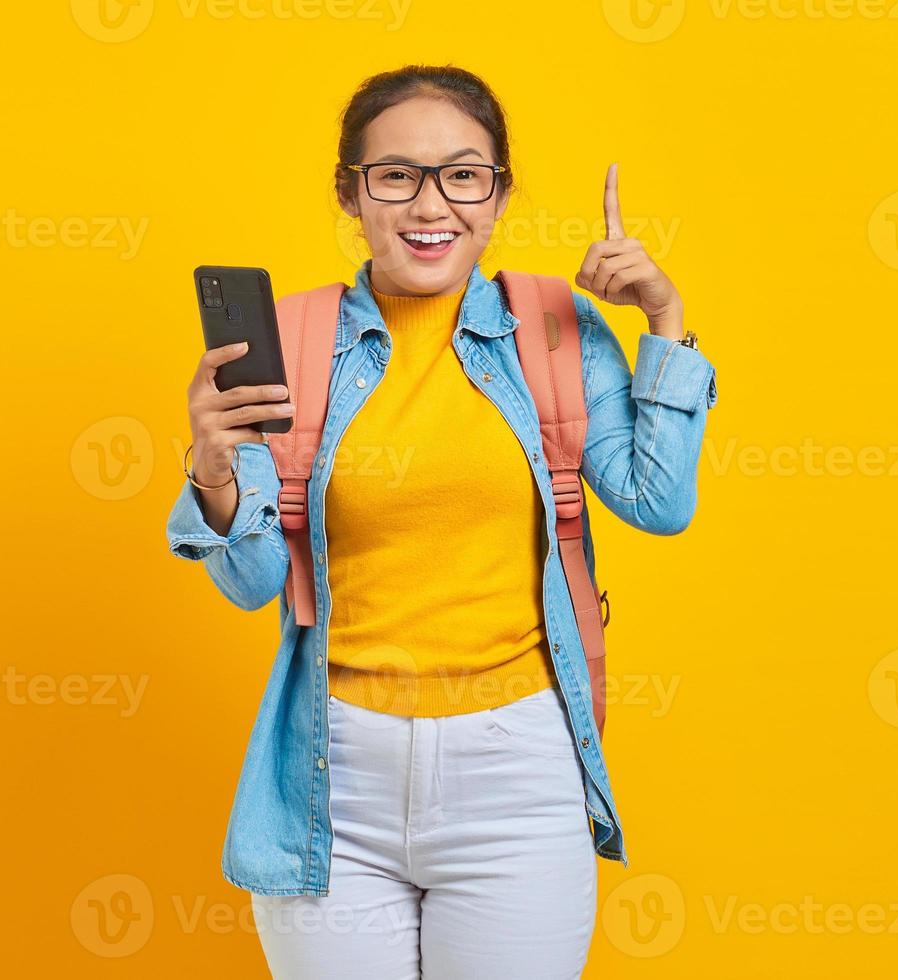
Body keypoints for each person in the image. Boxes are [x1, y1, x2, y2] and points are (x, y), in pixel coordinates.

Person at [169, 63, 718, 979]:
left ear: (497, 195)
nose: (433, 204)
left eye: (464, 174)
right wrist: (214, 465)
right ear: (352, 192)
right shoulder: (291, 341)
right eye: (397, 175)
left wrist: (663, 319)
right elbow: (253, 579)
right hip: (332, 774)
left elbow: (659, 504)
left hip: (517, 770)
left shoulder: (555, 327)